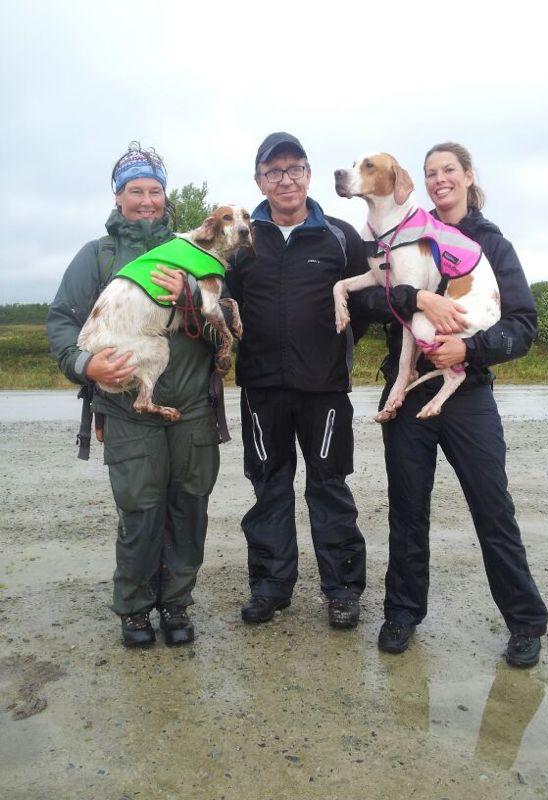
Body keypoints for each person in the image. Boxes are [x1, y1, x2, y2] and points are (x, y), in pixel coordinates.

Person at [356, 142, 548, 667]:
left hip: (469, 394)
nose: (440, 180)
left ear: (467, 176)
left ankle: (526, 623)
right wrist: (414, 298)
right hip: (407, 385)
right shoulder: (399, 232)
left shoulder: (492, 244)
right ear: (417, 183)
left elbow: (523, 325)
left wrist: (470, 348)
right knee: (407, 510)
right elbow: (366, 300)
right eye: (430, 173)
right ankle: (402, 614)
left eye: (449, 171)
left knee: (493, 509)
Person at [47, 142, 221, 648]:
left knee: (189, 510)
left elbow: (226, 317)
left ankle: (176, 603)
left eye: (155, 191)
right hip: (127, 408)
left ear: (166, 199)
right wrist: (85, 365)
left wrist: (195, 301)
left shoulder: (195, 252)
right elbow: (62, 320)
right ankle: (135, 609)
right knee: (140, 511)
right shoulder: (97, 256)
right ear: (118, 197)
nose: (146, 200)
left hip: (192, 409)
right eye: (135, 191)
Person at [225, 132, 368, 628]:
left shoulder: (340, 235)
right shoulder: (241, 238)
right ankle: (270, 587)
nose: (285, 179)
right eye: (273, 172)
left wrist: (333, 350)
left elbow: (364, 304)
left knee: (329, 487)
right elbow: (226, 302)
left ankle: (343, 590)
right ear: (259, 180)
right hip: (261, 387)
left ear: (308, 173)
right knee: (269, 487)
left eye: (294, 169)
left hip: (325, 388)